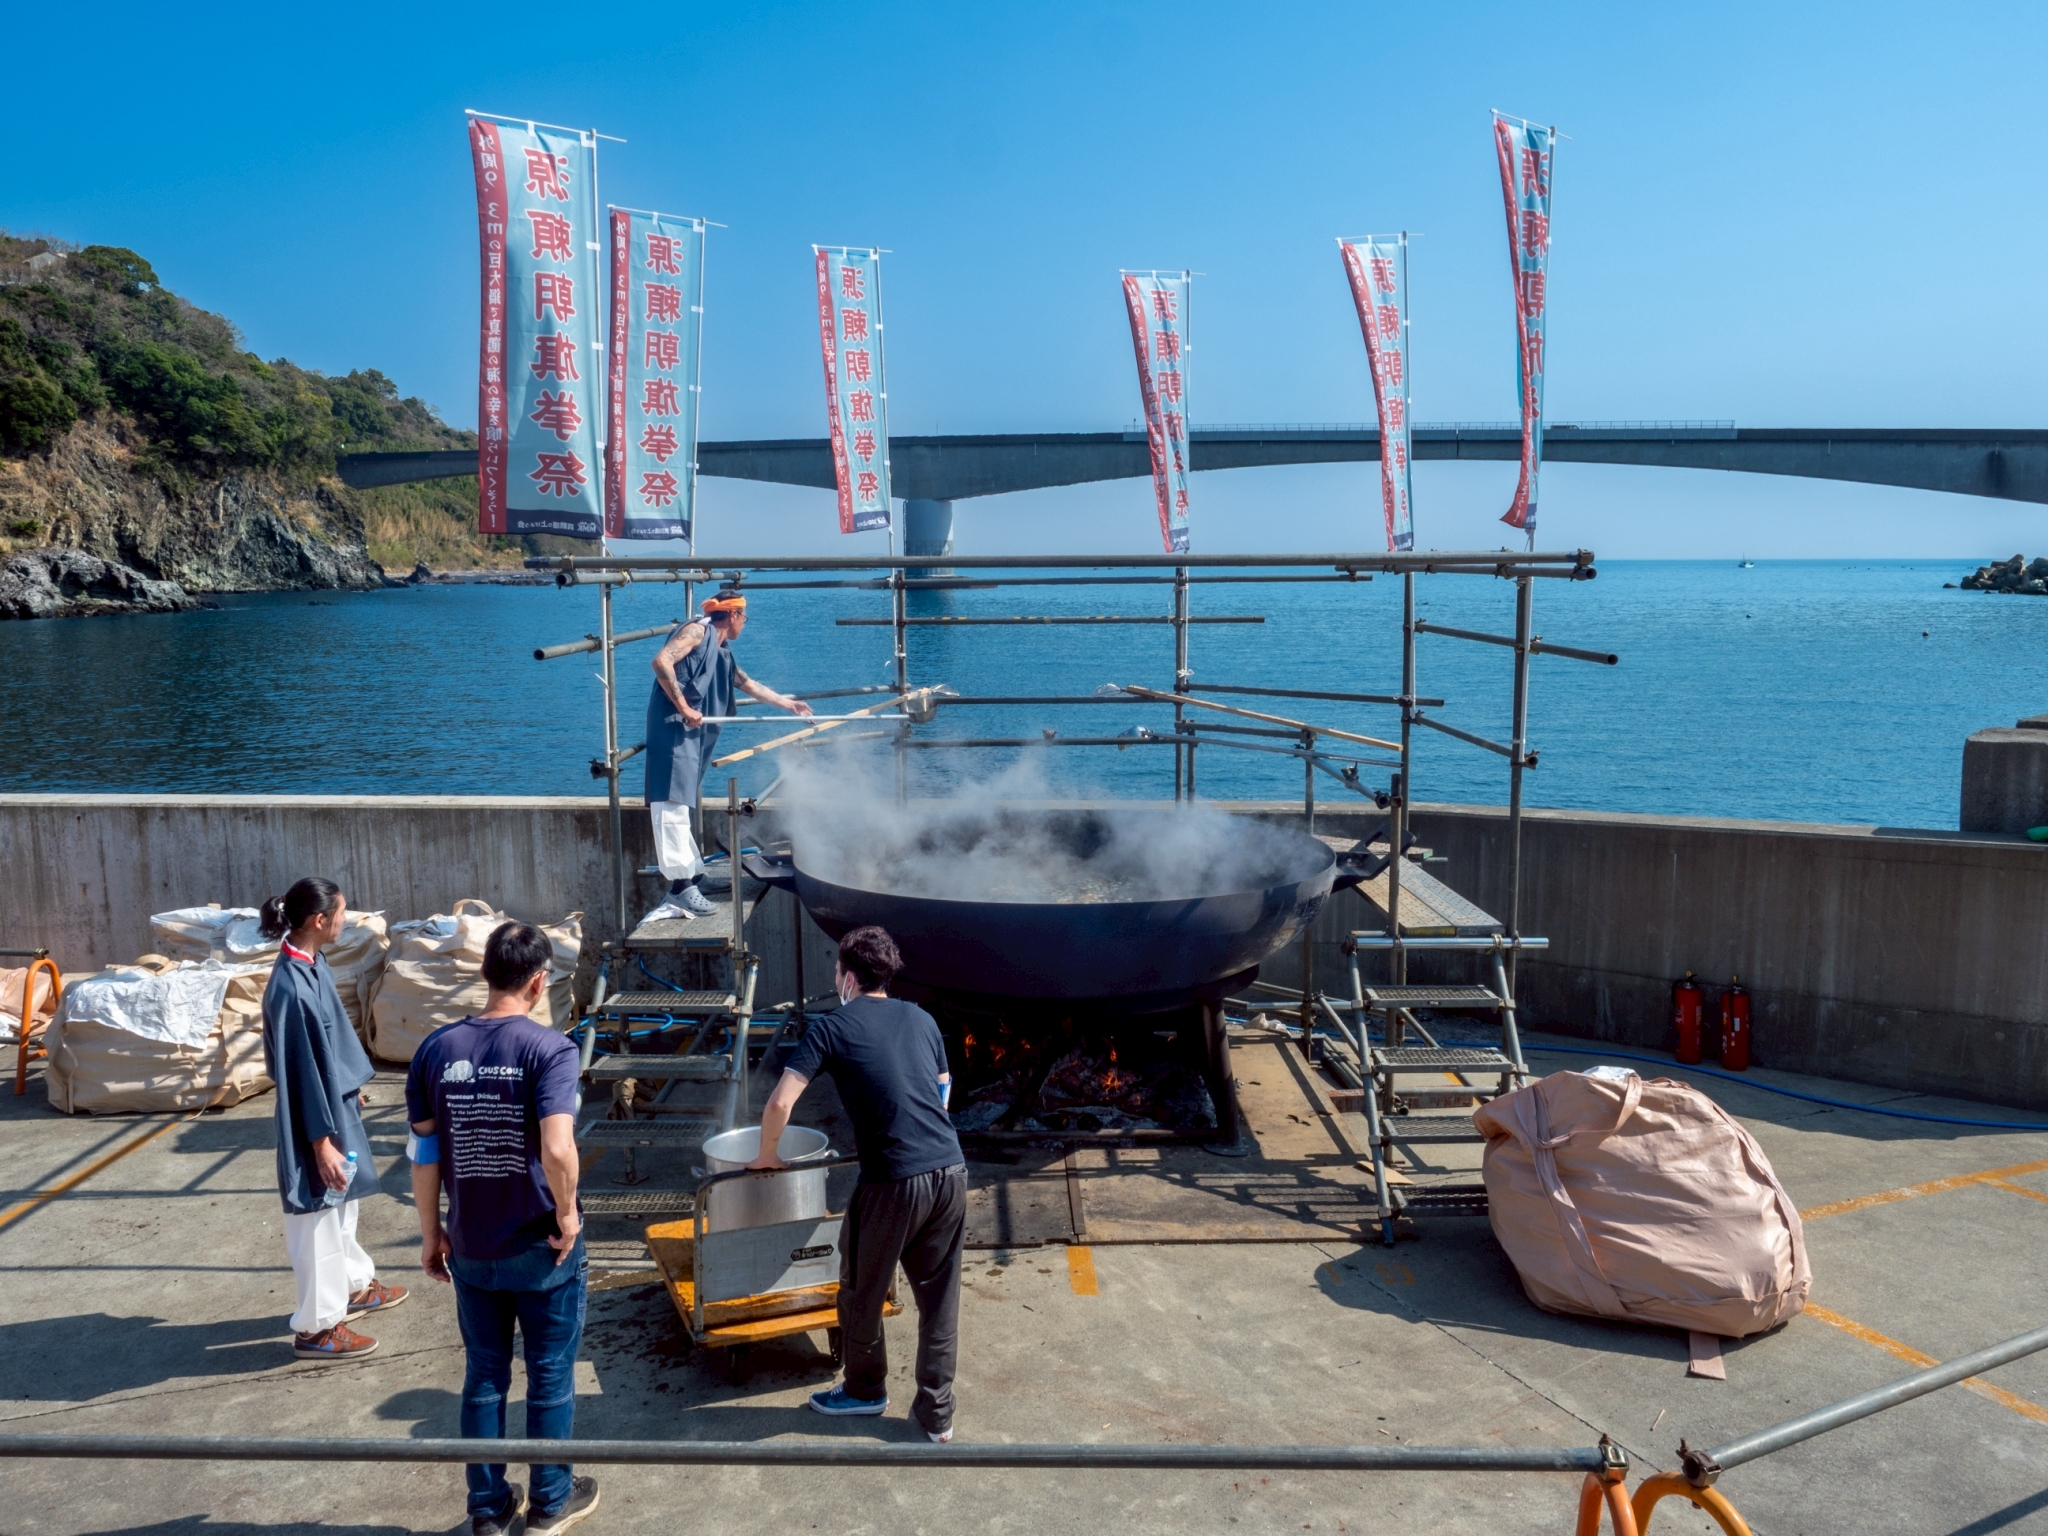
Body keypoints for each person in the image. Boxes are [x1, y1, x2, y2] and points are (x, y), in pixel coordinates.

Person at [407, 921, 598, 1536]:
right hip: (540, 1246)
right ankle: (550, 1502)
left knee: (484, 1376)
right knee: (550, 1373)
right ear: (538, 983)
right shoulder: (551, 1050)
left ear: (487, 973)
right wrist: (567, 1214)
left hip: (471, 1243)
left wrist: (431, 1232)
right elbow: (558, 1148)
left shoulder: (436, 1049)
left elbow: (425, 1155)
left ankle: (488, 1509)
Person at [749, 925, 967, 1442]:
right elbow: (943, 1089)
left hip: (893, 1179)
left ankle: (866, 1391)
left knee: (859, 1291)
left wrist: (766, 1156)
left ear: (847, 977)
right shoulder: (922, 1018)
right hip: (951, 1169)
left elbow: (780, 1102)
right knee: (939, 1300)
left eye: (837, 971)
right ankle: (937, 1416)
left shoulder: (832, 1027)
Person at [260, 876, 407, 1363]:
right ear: (321, 920)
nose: (347, 919)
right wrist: (320, 1141)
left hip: (333, 1102)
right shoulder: (291, 988)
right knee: (318, 1215)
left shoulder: (313, 962)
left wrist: (348, 1084)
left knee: (344, 1204)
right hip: (313, 1116)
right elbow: (298, 1072)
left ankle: (354, 1285)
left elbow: (331, 1039)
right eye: (343, 912)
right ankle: (317, 1327)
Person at [641, 591, 812, 926]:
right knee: (670, 803)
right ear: (733, 615)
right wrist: (684, 707)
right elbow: (661, 662)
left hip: (689, 730)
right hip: (673, 726)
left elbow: (747, 683)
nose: (744, 624)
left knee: (681, 802)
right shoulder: (697, 631)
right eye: (744, 617)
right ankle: (679, 888)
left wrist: (788, 704)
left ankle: (693, 876)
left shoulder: (720, 648)